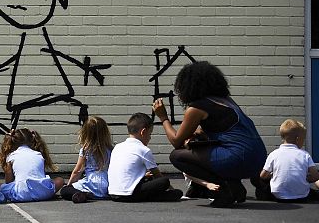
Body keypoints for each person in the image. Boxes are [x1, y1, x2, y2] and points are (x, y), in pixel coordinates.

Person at [153, 61, 267, 207]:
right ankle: (234, 186)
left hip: (239, 159)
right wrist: (199, 134)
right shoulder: (226, 101)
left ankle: (226, 188)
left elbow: (176, 141)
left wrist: (163, 117)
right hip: (258, 160)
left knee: (177, 156)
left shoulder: (197, 108)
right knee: (197, 150)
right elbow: (224, 130)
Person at [108, 112, 183, 203]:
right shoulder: (143, 150)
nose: (150, 138)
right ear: (143, 132)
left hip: (113, 193)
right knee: (166, 183)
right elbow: (157, 175)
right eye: (150, 133)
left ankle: (153, 196)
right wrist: (171, 189)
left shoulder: (118, 146)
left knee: (148, 179)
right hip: (130, 194)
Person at [251, 119, 319, 202]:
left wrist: (273, 175)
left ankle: (263, 194)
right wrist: (306, 179)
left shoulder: (274, 154)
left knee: (256, 177)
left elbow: (263, 176)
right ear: (298, 139)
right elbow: (315, 176)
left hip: (277, 196)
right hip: (302, 196)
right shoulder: (305, 155)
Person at [0, 128, 63, 202]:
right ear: (32, 140)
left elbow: (8, 182)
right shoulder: (38, 154)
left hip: (21, 194)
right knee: (60, 180)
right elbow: (40, 175)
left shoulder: (11, 156)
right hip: (44, 193)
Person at [60, 116, 113, 203]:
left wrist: (69, 185)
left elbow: (77, 171)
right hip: (107, 184)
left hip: (91, 184)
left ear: (86, 133)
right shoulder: (111, 150)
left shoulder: (86, 151)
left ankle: (84, 194)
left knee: (64, 191)